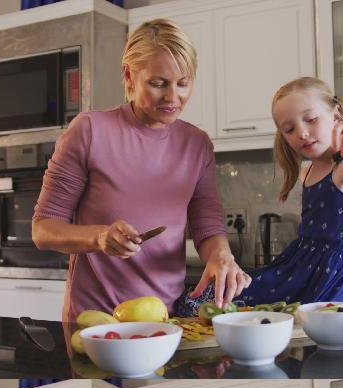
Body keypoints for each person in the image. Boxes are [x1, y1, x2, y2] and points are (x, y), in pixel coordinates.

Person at [33, 19, 251, 323]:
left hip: (167, 318)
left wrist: (221, 257)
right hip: (96, 320)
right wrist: (99, 237)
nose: (173, 98)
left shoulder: (197, 144)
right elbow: (43, 230)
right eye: (158, 83)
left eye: (183, 83)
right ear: (129, 76)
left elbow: (207, 224)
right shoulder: (90, 130)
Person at [227, 77, 343, 314]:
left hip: (340, 279)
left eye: (311, 120)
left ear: (335, 115)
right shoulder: (307, 171)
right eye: (289, 129)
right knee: (225, 298)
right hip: (299, 269)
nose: (302, 133)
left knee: (329, 334)